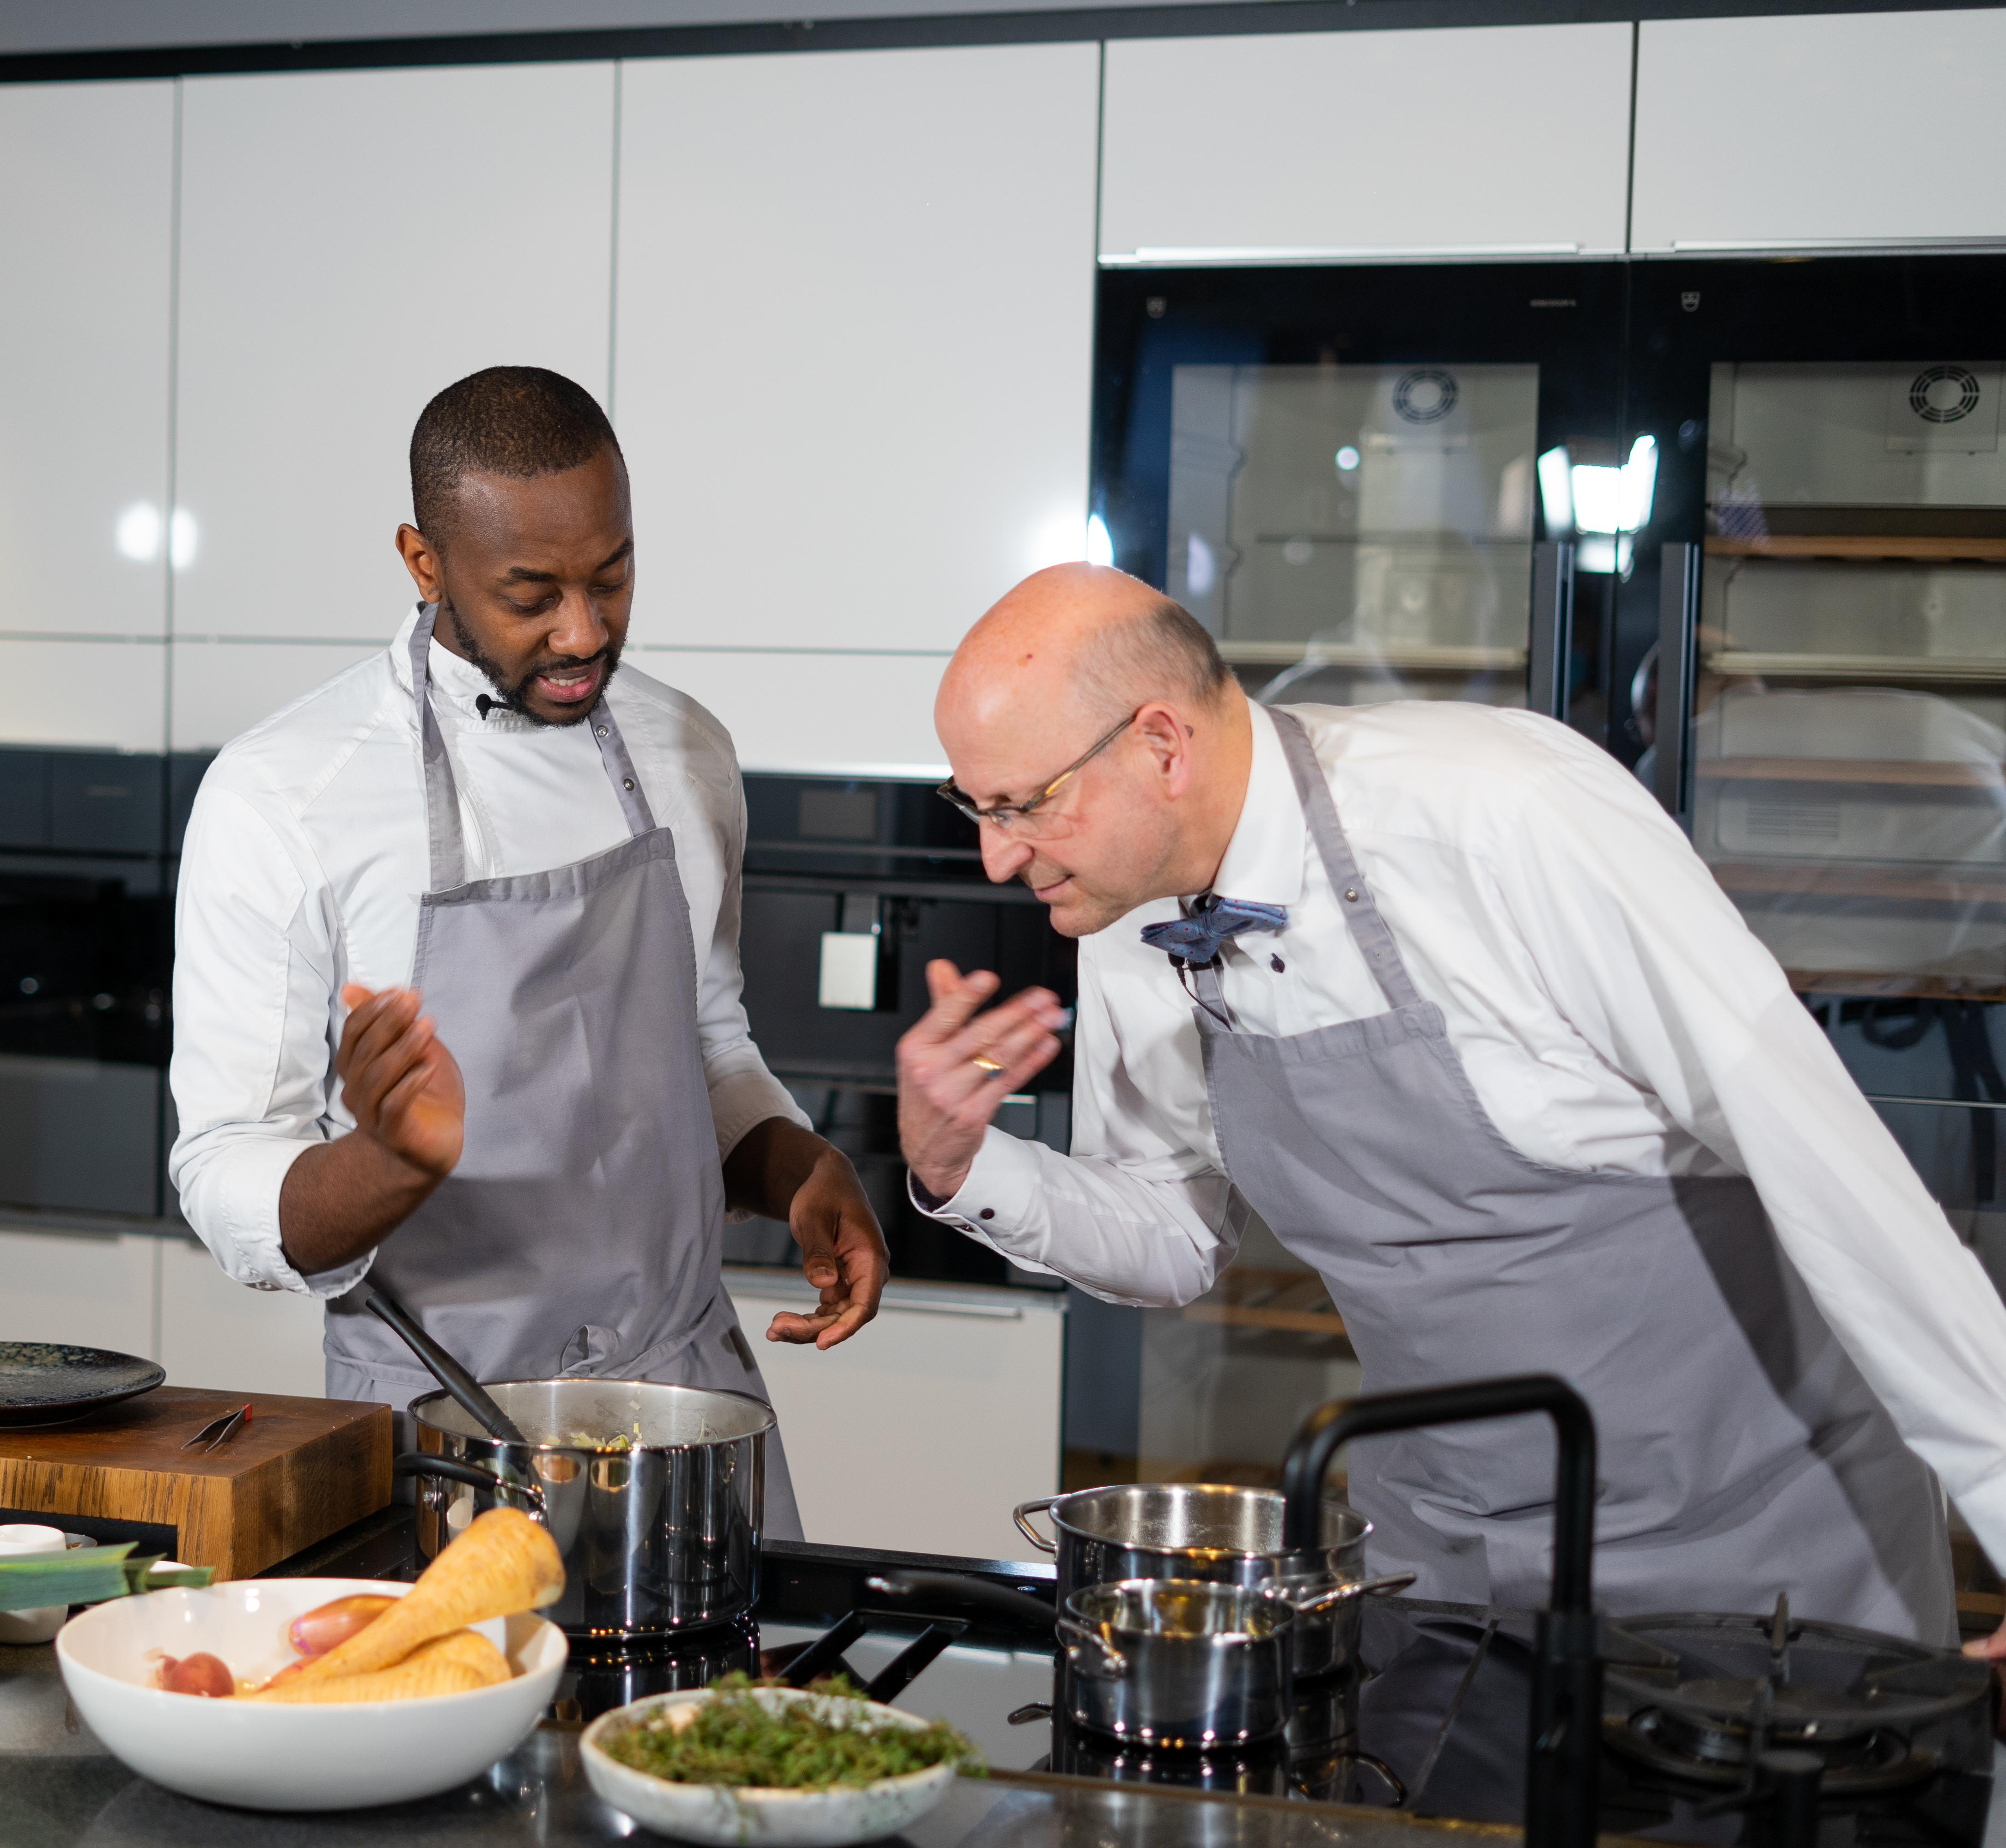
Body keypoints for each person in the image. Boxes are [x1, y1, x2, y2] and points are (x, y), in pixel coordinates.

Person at [897, 562, 2006, 1645]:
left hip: (1757, 1552)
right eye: (974, 805)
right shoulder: (1131, 913)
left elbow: (1834, 1174)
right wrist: (961, 1163)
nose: (997, 857)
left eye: (1021, 804)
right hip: (1447, 1561)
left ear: (1160, 743)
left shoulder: (1501, 815)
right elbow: (1180, 1230)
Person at [168, 366, 888, 1538]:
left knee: (741, 1724)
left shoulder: (684, 748)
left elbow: (703, 1044)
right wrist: (391, 1163)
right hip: (442, 1429)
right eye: (532, 592)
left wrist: (798, 1167)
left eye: (613, 576)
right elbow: (226, 1172)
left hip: (687, 1411)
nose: (584, 630)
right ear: (423, 562)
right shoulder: (284, 795)